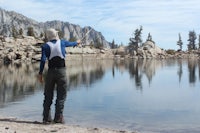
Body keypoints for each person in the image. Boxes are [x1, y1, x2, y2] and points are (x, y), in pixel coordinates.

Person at [38, 28, 81, 124]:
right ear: (56, 35)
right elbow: (72, 44)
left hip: (50, 72)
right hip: (61, 72)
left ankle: (46, 118)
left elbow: (42, 60)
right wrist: (77, 42)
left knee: (48, 95)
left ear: (48, 36)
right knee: (61, 96)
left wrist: (40, 73)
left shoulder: (45, 46)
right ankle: (58, 118)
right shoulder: (62, 42)